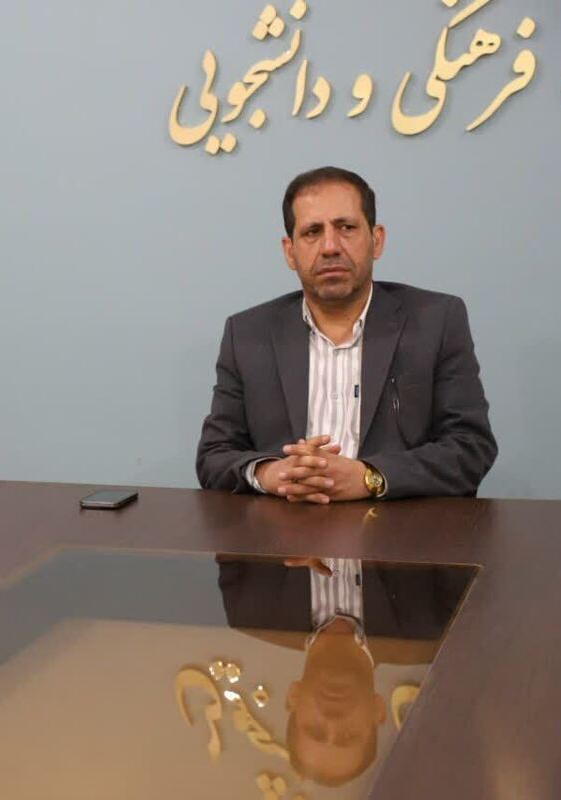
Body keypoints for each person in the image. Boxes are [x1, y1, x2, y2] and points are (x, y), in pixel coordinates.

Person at [196, 166, 497, 502]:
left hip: (401, 529)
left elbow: (470, 448)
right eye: (312, 232)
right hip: (284, 527)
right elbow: (213, 456)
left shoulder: (436, 321)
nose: (330, 247)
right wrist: (270, 473)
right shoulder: (248, 334)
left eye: (346, 228)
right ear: (290, 251)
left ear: (376, 240)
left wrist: (370, 477)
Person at [217, 555, 471, 786]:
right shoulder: (433, 629)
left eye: (315, 730)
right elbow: (463, 522)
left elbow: (222, 518)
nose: (332, 719)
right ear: (378, 711)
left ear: (292, 697)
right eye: (348, 735)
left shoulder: (250, 611)